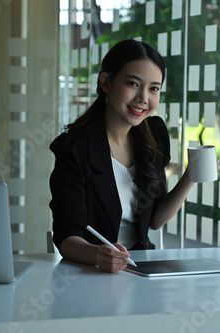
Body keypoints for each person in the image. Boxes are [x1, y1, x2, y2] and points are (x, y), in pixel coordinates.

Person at [49, 40, 194, 273]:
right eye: (133, 84)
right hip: (92, 272)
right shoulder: (75, 148)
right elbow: (67, 238)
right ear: (106, 82)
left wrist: (191, 176)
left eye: (154, 88)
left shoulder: (152, 138)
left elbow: (155, 220)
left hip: (140, 267)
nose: (143, 98)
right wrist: (98, 254)